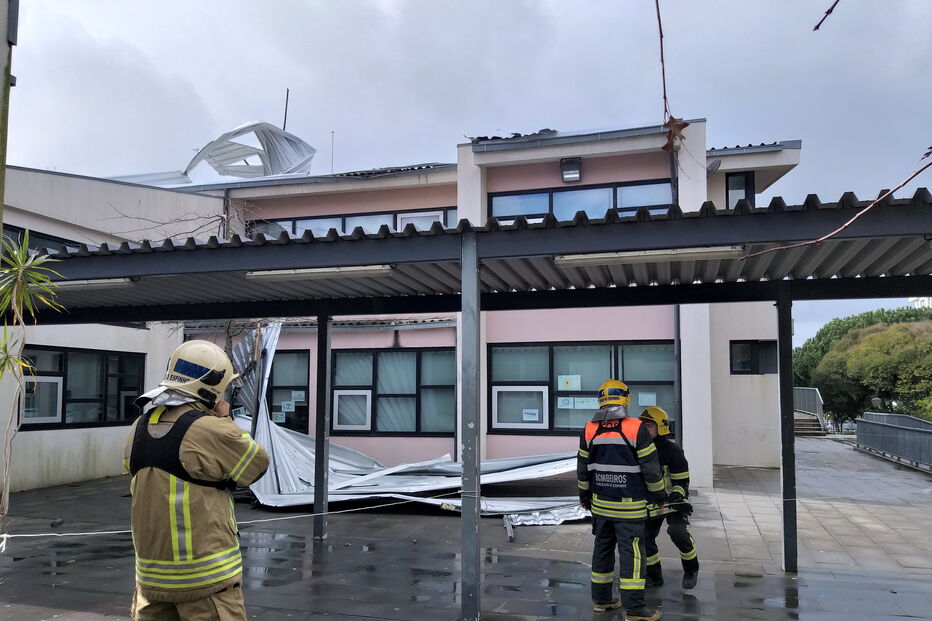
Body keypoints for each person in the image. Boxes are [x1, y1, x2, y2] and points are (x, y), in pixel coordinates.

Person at [123, 340, 270, 621]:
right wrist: (225, 419)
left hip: (151, 585)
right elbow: (257, 465)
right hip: (206, 584)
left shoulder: (137, 428)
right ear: (211, 388)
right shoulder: (211, 429)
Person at [577, 379, 666, 620]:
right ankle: (635, 609)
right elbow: (651, 469)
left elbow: (583, 469)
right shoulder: (635, 427)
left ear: (601, 398)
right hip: (630, 507)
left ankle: (602, 600)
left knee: (602, 548)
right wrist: (659, 496)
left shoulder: (589, 428)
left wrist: (584, 496)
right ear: (626, 398)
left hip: (601, 505)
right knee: (633, 554)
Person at [639, 406, 699, 590]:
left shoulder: (673, 451)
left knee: (678, 533)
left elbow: (682, 481)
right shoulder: (637, 449)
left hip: (673, 502)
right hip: (650, 502)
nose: (644, 429)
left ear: (661, 427)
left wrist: (678, 496)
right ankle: (654, 576)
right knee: (644, 536)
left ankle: (691, 569)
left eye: (649, 426)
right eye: (642, 425)